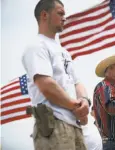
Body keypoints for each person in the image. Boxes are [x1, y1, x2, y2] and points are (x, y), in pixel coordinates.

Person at [22, 0, 89, 149]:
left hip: (75, 125)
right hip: (54, 125)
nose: (64, 17)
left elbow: (77, 82)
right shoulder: (36, 45)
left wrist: (84, 101)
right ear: (44, 15)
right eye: (60, 13)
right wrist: (76, 106)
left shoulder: (64, 51)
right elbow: (46, 84)